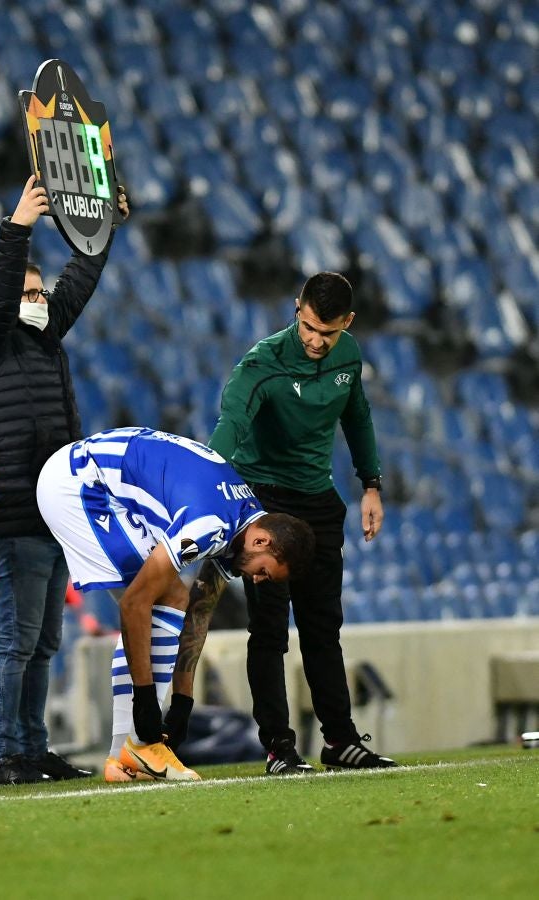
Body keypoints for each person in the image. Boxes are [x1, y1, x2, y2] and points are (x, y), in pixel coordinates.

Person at [0, 175, 129, 786]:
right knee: (17, 640)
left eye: (38, 291)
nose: (36, 297)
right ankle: (6, 754)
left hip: (56, 514)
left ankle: (31, 750)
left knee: (43, 642)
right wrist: (18, 229)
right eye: (27, 290)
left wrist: (101, 229)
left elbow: (78, 280)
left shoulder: (45, 339)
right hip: (13, 514)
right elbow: (1, 295)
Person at [35, 426, 315, 781]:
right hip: (81, 485)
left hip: (98, 477)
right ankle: (142, 744)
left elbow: (200, 609)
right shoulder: (209, 524)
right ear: (262, 541)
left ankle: (123, 758)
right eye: (264, 572)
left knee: (177, 597)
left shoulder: (246, 517)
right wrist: (146, 700)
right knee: (163, 596)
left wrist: (183, 702)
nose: (257, 580)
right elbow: (134, 603)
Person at [205, 271, 395, 774]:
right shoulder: (262, 363)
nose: (315, 340)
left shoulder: (348, 357)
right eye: (308, 326)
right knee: (268, 628)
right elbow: (231, 427)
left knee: (322, 626)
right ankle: (278, 747)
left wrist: (370, 484)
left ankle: (339, 741)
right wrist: (204, 488)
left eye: (326, 333)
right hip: (263, 499)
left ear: (346, 325)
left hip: (317, 500)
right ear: (298, 308)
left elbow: (357, 416)